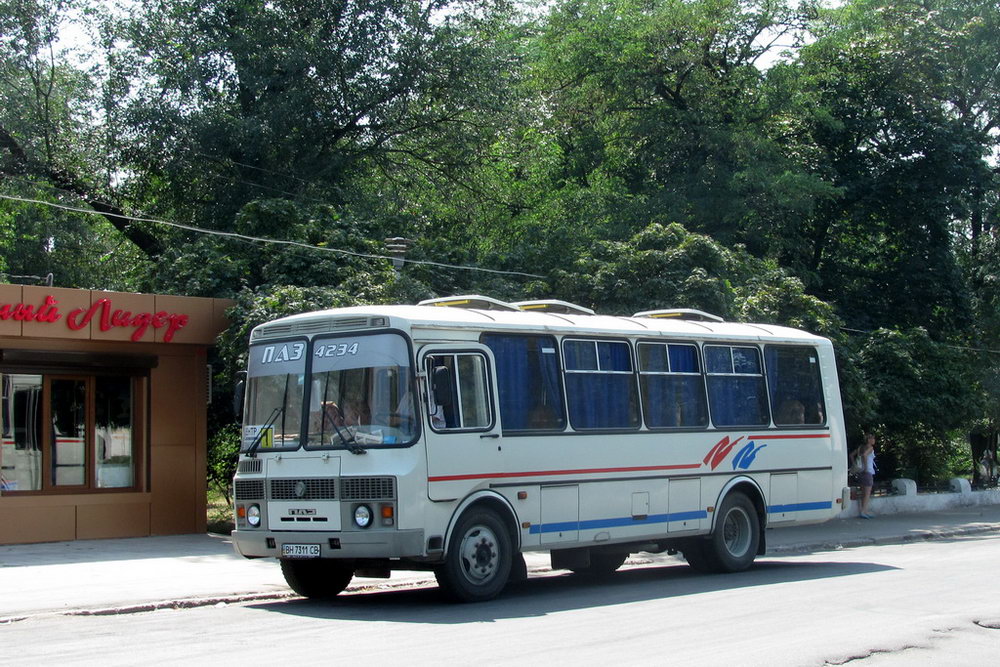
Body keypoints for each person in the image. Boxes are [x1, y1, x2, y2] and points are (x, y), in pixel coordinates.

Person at [852, 433, 877, 519]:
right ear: (869, 440)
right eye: (873, 439)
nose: (874, 440)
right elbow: (865, 455)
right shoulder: (870, 448)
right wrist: (866, 467)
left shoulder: (860, 447)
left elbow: (851, 455)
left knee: (863, 493)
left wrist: (855, 464)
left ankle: (864, 511)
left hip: (860, 472)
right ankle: (863, 511)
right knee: (867, 494)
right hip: (867, 472)